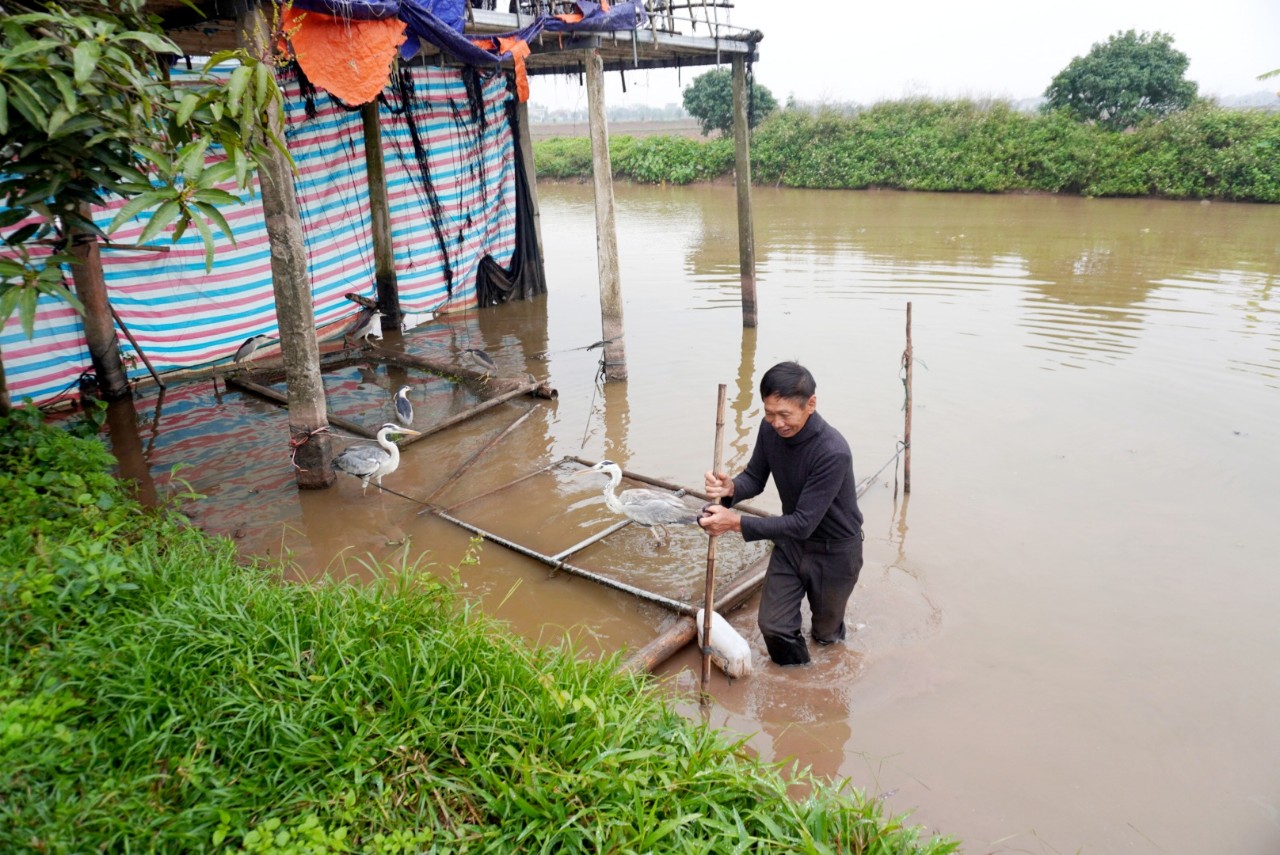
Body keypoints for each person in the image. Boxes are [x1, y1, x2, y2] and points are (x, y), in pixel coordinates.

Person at [698, 361, 864, 666]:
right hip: (791, 544)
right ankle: (798, 678)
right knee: (774, 627)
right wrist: (730, 488)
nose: (776, 423)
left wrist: (734, 523)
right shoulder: (769, 429)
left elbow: (803, 522)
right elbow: (755, 477)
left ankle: (825, 677)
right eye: (769, 412)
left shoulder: (832, 451)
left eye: (785, 414)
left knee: (826, 636)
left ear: (810, 404)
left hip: (834, 552)